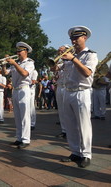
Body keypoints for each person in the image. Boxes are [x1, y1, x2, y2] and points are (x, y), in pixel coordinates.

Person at [60, 26, 98, 168]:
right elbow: (57, 70)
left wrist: (74, 59)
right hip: (68, 91)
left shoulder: (90, 55)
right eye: (72, 38)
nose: (73, 40)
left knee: (84, 125)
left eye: (76, 37)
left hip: (82, 92)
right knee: (70, 124)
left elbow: (87, 73)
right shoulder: (69, 56)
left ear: (84, 38)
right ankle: (75, 151)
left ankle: (86, 154)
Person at [2, 42, 35, 149]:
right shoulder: (16, 63)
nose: (17, 53)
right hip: (15, 90)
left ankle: (26, 139)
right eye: (17, 51)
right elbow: (6, 73)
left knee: (25, 115)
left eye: (20, 51)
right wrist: (4, 64)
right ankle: (19, 138)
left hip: (24, 89)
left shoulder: (29, 63)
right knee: (17, 116)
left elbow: (25, 74)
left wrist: (14, 64)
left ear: (25, 52)